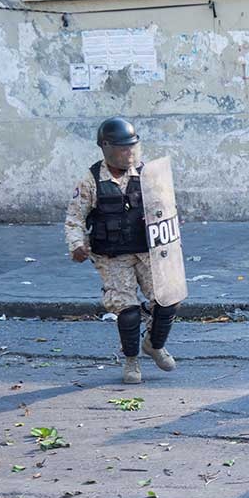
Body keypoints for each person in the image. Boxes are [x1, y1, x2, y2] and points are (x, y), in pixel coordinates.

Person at [65, 117, 177, 384]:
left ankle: (154, 344)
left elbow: (166, 211)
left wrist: (171, 239)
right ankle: (131, 360)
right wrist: (77, 245)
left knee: (168, 300)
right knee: (127, 312)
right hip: (112, 256)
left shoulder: (148, 175)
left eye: (132, 147)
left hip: (145, 251)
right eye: (123, 148)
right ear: (106, 148)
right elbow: (74, 218)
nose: (129, 153)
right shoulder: (91, 180)